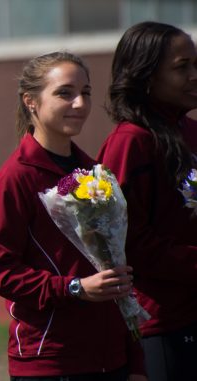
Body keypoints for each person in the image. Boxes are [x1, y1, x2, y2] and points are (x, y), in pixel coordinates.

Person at [0, 51, 146, 381]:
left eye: (85, 93)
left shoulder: (94, 174)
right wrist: (74, 288)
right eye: (64, 93)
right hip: (50, 361)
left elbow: (113, 268)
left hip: (112, 360)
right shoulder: (15, 178)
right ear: (31, 101)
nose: (79, 104)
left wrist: (135, 362)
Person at [97, 21, 197, 381]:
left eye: (195, 65)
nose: (194, 75)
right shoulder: (130, 142)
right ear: (147, 75)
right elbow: (125, 239)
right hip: (162, 323)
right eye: (181, 67)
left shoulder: (190, 131)